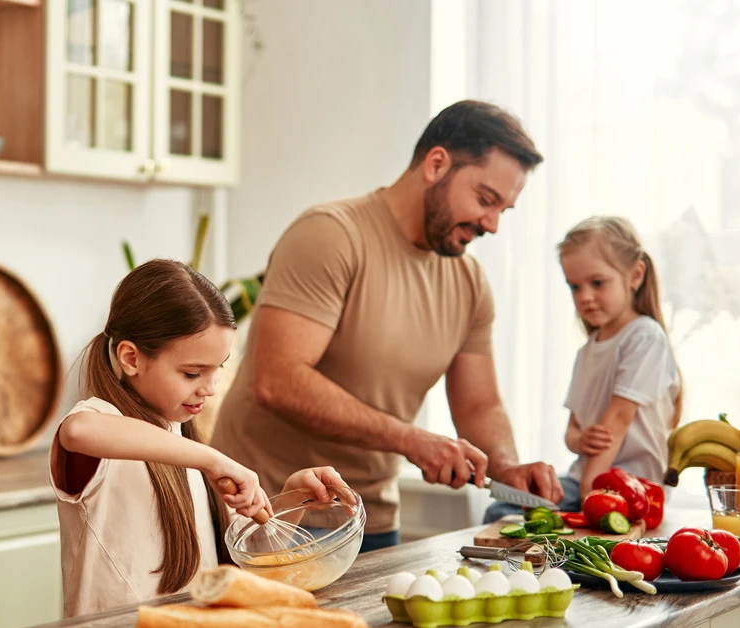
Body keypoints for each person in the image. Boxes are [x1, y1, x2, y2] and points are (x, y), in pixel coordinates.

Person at [210, 100, 563, 553]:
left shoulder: (470, 283)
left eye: (503, 211)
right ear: (436, 164)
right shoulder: (331, 235)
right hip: (267, 515)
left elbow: (479, 405)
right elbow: (278, 381)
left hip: (369, 522)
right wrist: (411, 440)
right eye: (485, 199)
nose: (491, 224)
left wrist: (507, 467)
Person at [50, 259, 350, 617]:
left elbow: (241, 561)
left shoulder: (183, 442)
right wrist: (211, 460)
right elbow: (78, 430)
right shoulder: (103, 427)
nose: (209, 388)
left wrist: (292, 498)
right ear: (131, 358)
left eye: (217, 369)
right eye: (193, 373)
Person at [484, 216, 682, 522]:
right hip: (584, 478)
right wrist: (581, 440)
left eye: (597, 283)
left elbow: (617, 420)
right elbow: (573, 430)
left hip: (632, 486)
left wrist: (591, 495)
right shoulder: (587, 351)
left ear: (635, 275)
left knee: (506, 514)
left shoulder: (644, 336)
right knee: (503, 510)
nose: (584, 296)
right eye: (574, 286)